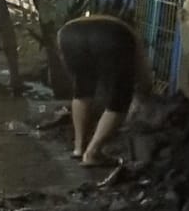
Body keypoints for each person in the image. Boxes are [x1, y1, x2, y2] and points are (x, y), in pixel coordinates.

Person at [58, 14, 152, 167]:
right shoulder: (129, 35)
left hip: (68, 33)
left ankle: (78, 148)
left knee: (83, 90)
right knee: (120, 98)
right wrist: (144, 92)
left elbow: (69, 67)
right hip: (111, 37)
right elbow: (144, 77)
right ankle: (92, 153)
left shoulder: (103, 21)